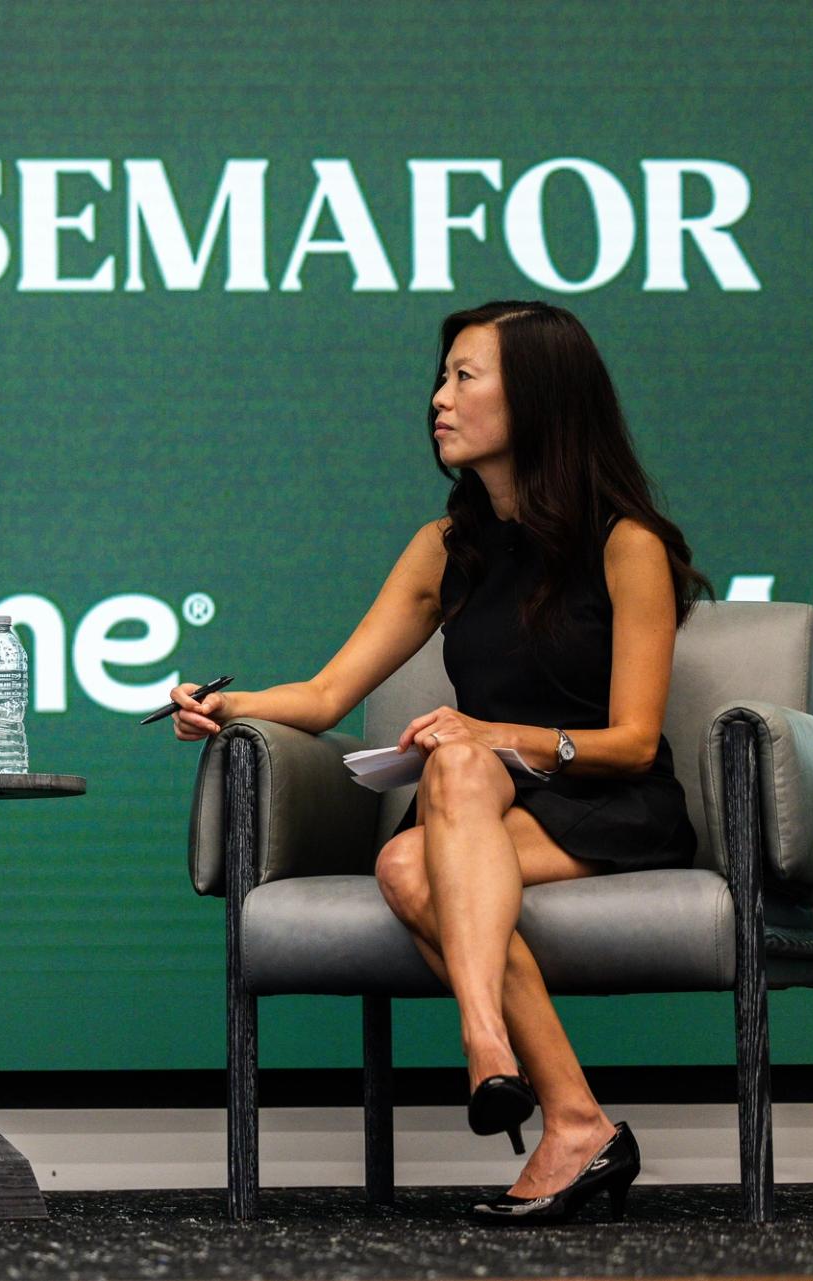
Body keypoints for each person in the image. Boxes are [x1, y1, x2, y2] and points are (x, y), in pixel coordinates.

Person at [170, 300, 709, 1225]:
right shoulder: (445, 547)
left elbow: (631, 739)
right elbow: (329, 692)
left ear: (536, 398)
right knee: (418, 835)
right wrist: (229, 705)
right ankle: (572, 1116)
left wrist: (492, 734)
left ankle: (486, 1046)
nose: (438, 399)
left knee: (425, 825)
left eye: (465, 377)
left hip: (607, 799)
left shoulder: (628, 543)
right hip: (484, 808)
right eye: (442, 376)